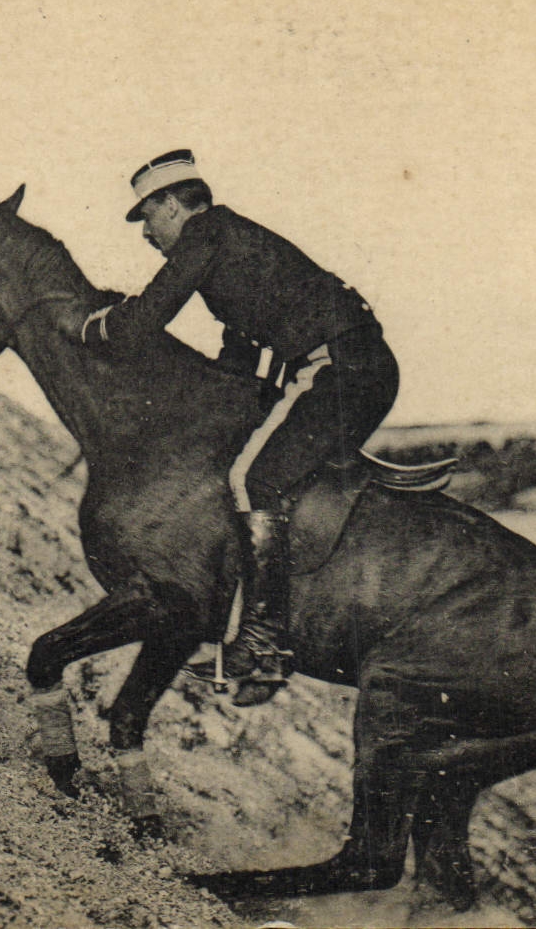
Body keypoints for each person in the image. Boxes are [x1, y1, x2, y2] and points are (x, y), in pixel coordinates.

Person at [77, 150, 399, 705]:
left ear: (174, 206)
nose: (147, 234)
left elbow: (145, 319)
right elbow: (239, 351)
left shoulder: (206, 236)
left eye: (148, 217)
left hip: (339, 370)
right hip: (352, 366)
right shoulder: (229, 244)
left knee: (257, 479)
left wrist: (94, 328)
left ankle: (265, 646)